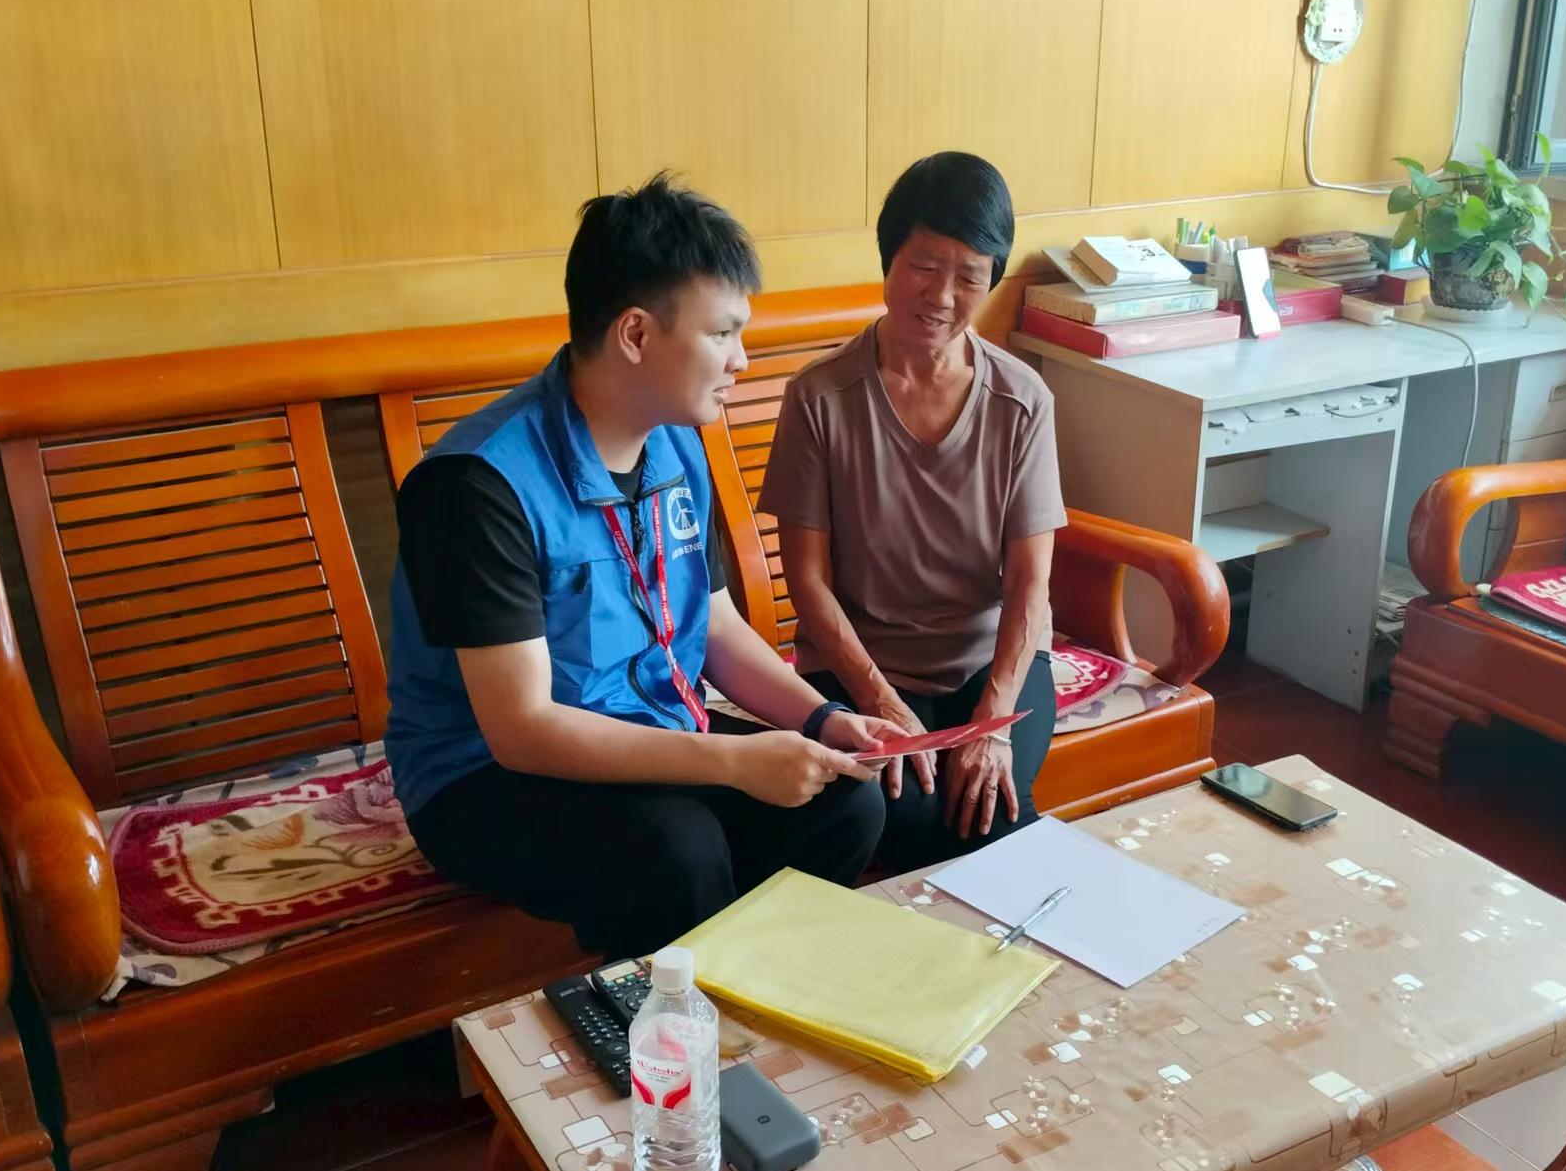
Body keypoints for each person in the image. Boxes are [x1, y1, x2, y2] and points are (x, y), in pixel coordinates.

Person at [385, 173, 904, 958]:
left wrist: (822, 719)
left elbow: (715, 626)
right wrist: (734, 759)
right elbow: (522, 729)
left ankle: (752, 994)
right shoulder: (477, 485)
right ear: (635, 333)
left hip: (651, 731)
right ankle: (670, 1023)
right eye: (722, 333)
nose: (741, 359)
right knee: (675, 848)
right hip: (482, 774)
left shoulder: (674, 444)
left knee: (842, 806)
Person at [757, 152, 1065, 874]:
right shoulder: (820, 397)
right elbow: (808, 582)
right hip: (859, 663)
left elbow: (1030, 582)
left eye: (970, 276)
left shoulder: (1022, 400)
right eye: (924, 265)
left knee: (987, 805)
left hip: (991, 663)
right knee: (915, 819)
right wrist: (880, 696)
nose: (943, 295)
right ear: (889, 258)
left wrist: (991, 724)